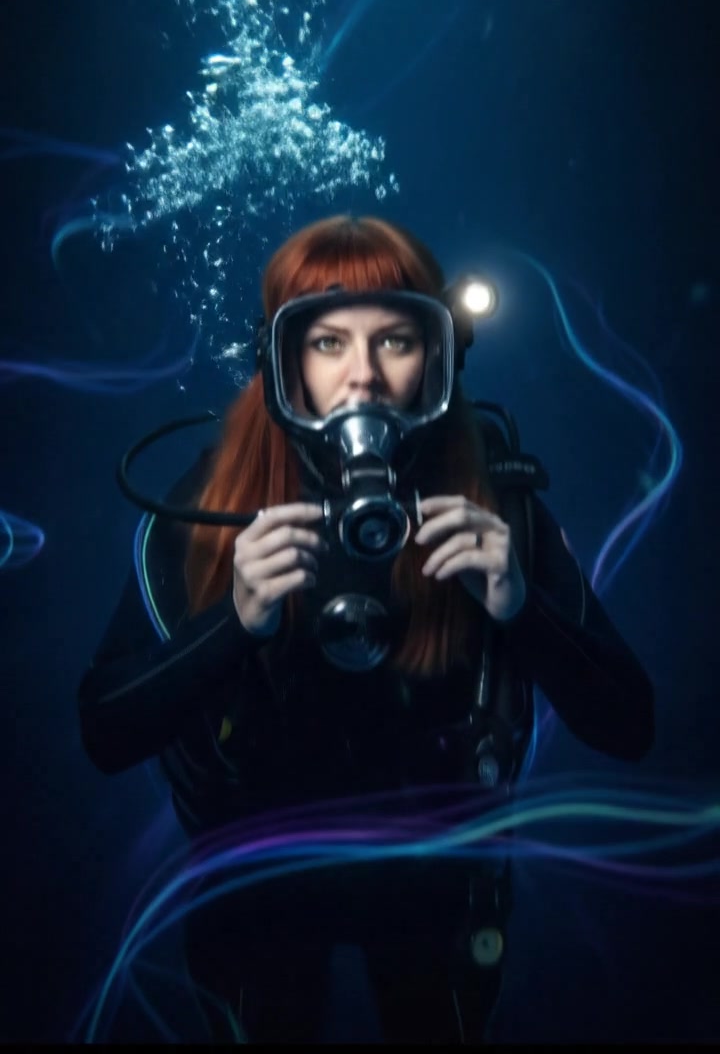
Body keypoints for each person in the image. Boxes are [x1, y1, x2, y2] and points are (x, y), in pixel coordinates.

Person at [77, 214, 654, 1044]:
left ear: (439, 355)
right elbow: (104, 731)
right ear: (282, 362)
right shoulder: (208, 508)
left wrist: (519, 605)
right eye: (327, 343)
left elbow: (630, 724)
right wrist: (235, 623)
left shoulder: (500, 504)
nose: (363, 377)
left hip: (438, 885)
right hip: (259, 884)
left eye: (395, 341)